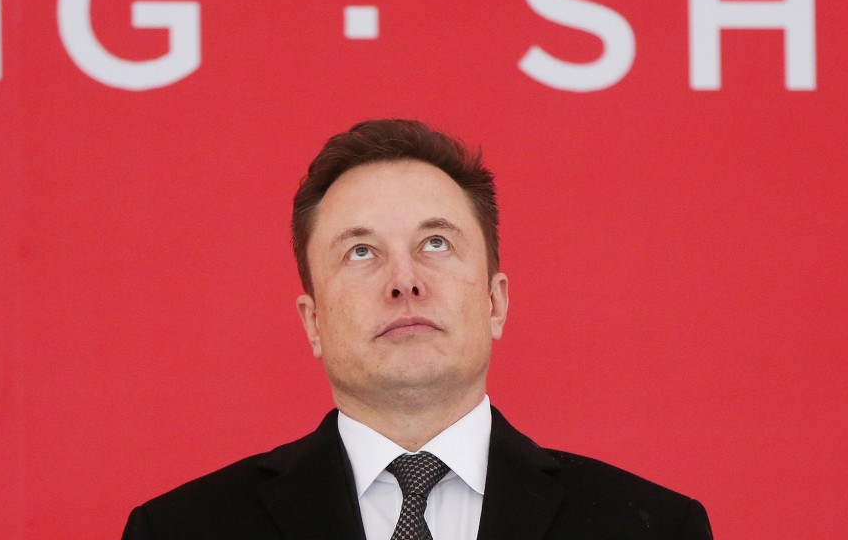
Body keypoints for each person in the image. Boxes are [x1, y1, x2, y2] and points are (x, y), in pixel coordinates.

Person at [122, 119, 713, 540]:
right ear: (313, 322)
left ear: (494, 302)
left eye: (436, 244)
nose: (403, 282)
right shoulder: (182, 529)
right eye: (360, 252)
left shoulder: (651, 527)